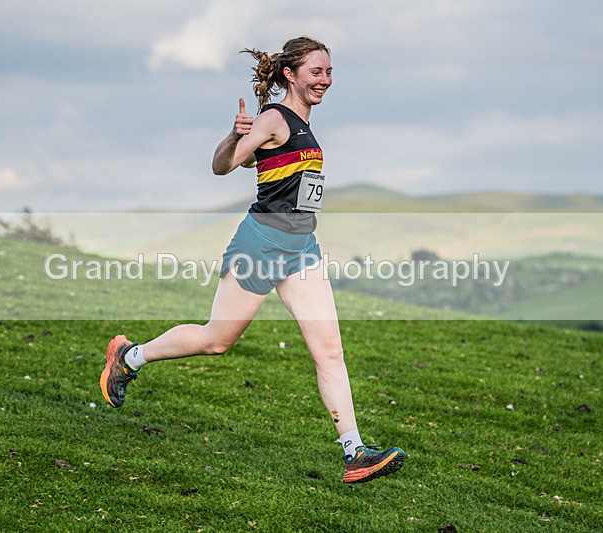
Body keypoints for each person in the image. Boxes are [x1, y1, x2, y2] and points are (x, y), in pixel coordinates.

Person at [100, 36, 404, 484]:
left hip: (302, 250)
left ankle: (354, 452)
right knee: (216, 340)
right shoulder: (274, 119)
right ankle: (130, 357)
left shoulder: (303, 125)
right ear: (291, 74)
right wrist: (233, 135)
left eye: (329, 71)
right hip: (261, 246)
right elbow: (223, 167)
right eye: (316, 71)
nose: (325, 79)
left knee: (330, 352)